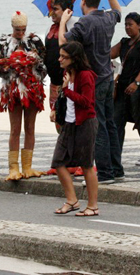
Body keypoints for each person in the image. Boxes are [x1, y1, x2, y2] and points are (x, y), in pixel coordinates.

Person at [59, 0, 123, 185]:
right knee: (110, 123)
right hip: (107, 75)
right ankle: (116, 167)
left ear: (83, 2)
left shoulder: (84, 23)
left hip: (91, 78)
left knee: (98, 126)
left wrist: (63, 21)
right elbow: (118, 10)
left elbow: (64, 44)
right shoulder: (107, 18)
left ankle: (104, 172)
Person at [0, 11, 47, 181]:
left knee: (30, 128)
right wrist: (10, 64)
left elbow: (46, 66)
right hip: (13, 90)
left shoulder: (35, 42)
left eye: (23, 29)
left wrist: (34, 61)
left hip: (33, 89)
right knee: (15, 129)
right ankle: (14, 169)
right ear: (12, 28)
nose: (21, 33)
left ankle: (27, 167)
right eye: (17, 30)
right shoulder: (3, 44)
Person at [51, 41, 99, 217]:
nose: (60, 59)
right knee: (58, 162)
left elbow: (87, 102)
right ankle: (72, 200)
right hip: (69, 123)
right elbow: (64, 95)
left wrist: (67, 91)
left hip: (85, 123)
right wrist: (55, 109)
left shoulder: (86, 75)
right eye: (60, 55)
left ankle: (93, 206)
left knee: (86, 165)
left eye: (64, 56)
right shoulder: (67, 73)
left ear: (74, 58)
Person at [110, 12, 140, 166]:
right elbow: (109, 54)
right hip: (122, 86)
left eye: (131, 24)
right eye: (126, 25)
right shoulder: (123, 42)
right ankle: (115, 155)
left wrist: (136, 83)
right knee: (117, 121)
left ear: (139, 25)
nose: (128, 27)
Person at [44, 0, 77, 127]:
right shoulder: (49, 29)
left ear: (67, 11)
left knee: (70, 121)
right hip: (54, 83)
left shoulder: (75, 26)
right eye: (52, 8)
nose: (52, 13)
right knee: (58, 122)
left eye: (56, 9)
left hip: (70, 83)